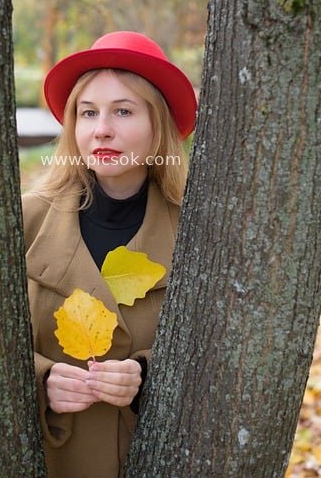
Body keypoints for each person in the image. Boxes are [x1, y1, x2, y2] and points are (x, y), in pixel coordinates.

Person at [22, 31, 197, 478]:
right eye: (88, 112)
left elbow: (216, 350)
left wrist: (143, 376)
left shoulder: (198, 233)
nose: (101, 128)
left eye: (123, 110)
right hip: (48, 459)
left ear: (158, 123)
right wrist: (40, 379)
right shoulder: (23, 220)